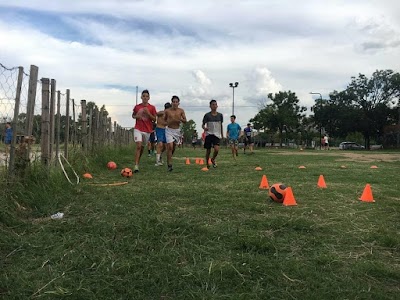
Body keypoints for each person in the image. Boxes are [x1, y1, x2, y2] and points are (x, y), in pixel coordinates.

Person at [132, 89, 157, 173]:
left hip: (147, 130)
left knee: (142, 147)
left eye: (147, 96)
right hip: (138, 128)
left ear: (149, 97)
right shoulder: (137, 107)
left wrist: (148, 113)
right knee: (138, 146)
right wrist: (136, 117)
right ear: (141, 97)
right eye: (144, 96)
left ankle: (137, 161)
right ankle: (136, 166)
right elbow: (133, 115)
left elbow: (154, 119)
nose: (145, 98)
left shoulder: (152, 107)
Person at [164, 95, 187, 172]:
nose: (175, 103)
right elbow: (163, 121)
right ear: (171, 103)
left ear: (178, 103)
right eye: (173, 102)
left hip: (177, 130)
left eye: (176, 102)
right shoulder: (167, 111)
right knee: (170, 146)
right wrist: (168, 122)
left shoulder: (181, 111)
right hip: (169, 130)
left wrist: (179, 119)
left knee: (173, 147)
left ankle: (169, 157)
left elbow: (185, 120)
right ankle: (169, 165)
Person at [202, 99, 223, 168]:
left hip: (216, 134)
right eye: (213, 105)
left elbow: (221, 125)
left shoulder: (220, 115)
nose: (214, 106)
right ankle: (207, 163)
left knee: (216, 149)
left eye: (215, 104)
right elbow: (203, 124)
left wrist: (222, 135)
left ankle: (213, 159)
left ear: (217, 106)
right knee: (208, 150)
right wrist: (204, 128)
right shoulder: (207, 115)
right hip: (209, 134)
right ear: (210, 106)